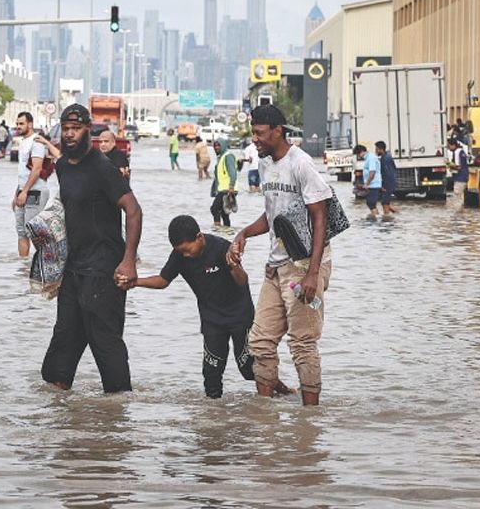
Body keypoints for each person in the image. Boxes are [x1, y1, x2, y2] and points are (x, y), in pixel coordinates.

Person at [227, 104, 333, 406]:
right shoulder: (264, 165)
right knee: (260, 341)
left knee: (302, 343)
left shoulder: (300, 164)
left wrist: (313, 274)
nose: (255, 139)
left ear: (278, 131)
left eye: (260, 133)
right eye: (253, 133)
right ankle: (265, 415)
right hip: (275, 268)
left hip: (303, 267)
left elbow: (320, 216)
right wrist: (244, 233)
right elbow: (273, 215)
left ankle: (309, 420)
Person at [40, 104, 143, 394]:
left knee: (106, 343)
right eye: (66, 129)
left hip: (103, 270)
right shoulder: (62, 166)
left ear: (88, 131)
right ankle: (60, 411)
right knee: (62, 344)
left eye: (76, 129)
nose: (69, 134)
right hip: (73, 269)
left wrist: (128, 261)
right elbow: (67, 213)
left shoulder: (102, 168)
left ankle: (118, 409)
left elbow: (134, 211)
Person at [133, 215, 258, 398]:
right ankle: (213, 413)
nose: (186, 255)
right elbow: (162, 280)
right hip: (212, 320)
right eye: (181, 251)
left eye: (187, 249)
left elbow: (242, 281)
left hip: (240, 316)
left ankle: (278, 389)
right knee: (211, 374)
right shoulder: (179, 255)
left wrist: (234, 266)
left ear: (199, 237)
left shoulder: (221, 247)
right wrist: (134, 282)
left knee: (247, 368)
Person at [13, 112, 49, 259]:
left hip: (35, 192)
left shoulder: (36, 141)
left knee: (33, 231)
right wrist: (17, 194)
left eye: (21, 124)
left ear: (30, 124)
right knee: (21, 231)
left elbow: (37, 169)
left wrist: (25, 191)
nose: (18, 126)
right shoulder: (23, 142)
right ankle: (23, 266)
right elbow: (23, 172)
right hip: (23, 191)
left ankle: (47, 262)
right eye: (17, 124)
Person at [210, 138, 238, 227]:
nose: (216, 148)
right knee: (224, 213)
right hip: (223, 189)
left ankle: (217, 229)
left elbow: (233, 172)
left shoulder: (228, 156)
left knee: (214, 209)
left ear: (223, 145)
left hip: (227, 189)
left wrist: (231, 186)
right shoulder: (221, 157)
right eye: (215, 146)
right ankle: (227, 231)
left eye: (219, 145)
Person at [353, 144, 381, 220]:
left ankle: (376, 219)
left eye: (358, 154)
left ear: (362, 151)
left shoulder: (371, 158)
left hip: (373, 184)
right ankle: (376, 217)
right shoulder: (368, 158)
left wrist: (367, 183)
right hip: (371, 184)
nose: (359, 156)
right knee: (370, 203)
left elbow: (372, 172)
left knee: (371, 203)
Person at [375, 141, 398, 215]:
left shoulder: (385, 158)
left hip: (388, 183)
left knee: (385, 203)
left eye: (377, 149)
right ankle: (398, 214)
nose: (376, 151)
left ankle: (387, 219)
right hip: (390, 182)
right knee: (384, 202)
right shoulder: (386, 156)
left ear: (381, 149)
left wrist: (384, 186)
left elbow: (388, 174)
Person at [447, 138, 469, 205]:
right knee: (460, 196)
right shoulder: (461, 151)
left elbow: (458, 166)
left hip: (460, 178)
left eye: (449, 146)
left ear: (453, 145)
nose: (448, 148)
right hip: (463, 177)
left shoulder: (457, 152)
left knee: (457, 197)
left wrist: (448, 163)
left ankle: (458, 210)